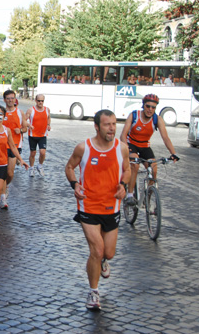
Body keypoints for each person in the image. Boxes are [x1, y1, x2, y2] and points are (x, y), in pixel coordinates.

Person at [64, 109, 131, 311]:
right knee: (97, 249)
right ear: (96, 126)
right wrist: (75, 184)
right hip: (89, 205)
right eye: (107, 124)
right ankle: (93, 292)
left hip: (112, 206)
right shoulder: (84, 148)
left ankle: (103, 261)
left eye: (113, 124)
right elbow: (69, 167)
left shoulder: (122, 148)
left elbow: (127, 170)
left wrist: (124, 185)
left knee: (108, 253)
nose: (112, 128)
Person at [119, 94, 179, 205]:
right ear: (143, 105)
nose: (150, 109)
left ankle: (148, 197)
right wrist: (126, 149)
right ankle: (130, 195)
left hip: (145, 146)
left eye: (153, 107)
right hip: (131, 144)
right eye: (148, 106)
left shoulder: (157, 119)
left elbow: (165, 138)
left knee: (153, 170)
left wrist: (173, 153)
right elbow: (123, 135)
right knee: (135, 165)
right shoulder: (134, 115)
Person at [0, 90, 27, 210]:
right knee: (3, 172)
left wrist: (20, 130)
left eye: (12, 98)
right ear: (4, 100)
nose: (10, 100)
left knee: (10, 173)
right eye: (8, 98)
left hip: (15, 145)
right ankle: (3, 198)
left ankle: (5, 187)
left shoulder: (20, 112)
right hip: (2, 145)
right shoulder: (1, 113)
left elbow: (25, 128)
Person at [25, 94, 51, 177]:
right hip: (33, 135)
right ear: (36, 101)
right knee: (33, 153)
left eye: (42, 101)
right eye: (39, 101)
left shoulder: (47, 110)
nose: (40, 102)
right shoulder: (30, 110)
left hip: (43, 135)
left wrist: (48, 124)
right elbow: (24, 121)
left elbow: (48, 117)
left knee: (42, 152)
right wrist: (29, 126)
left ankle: (40, 165)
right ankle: (31, 168)